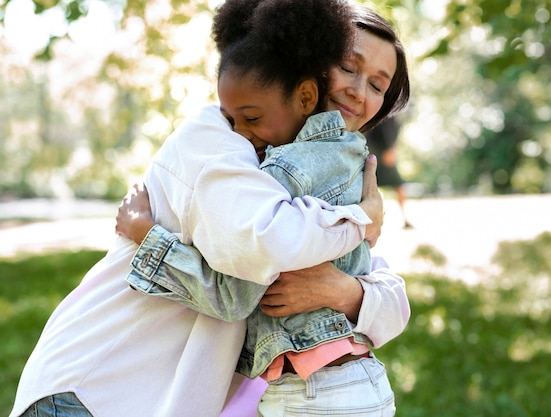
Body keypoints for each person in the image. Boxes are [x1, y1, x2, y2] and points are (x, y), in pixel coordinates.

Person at [9, 1, 407, 417]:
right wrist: (361, 221)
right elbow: (267, 251)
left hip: (149, 396)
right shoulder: (220, 140)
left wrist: (347, 292)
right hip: (97, 388)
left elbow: (391, 301)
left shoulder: (322, 164)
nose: (358, 91)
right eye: (348, 66)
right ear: (309, 59)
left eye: (378, 85)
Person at [365, 115, 413, 229]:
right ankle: (372, 220)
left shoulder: (396, 110)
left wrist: (391, 148)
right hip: (377, 153)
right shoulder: (385, 109)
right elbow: (383, 128)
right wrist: (389, 148)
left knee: (399, 186)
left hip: (383, 152)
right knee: (370, 187)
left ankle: (405, 218)